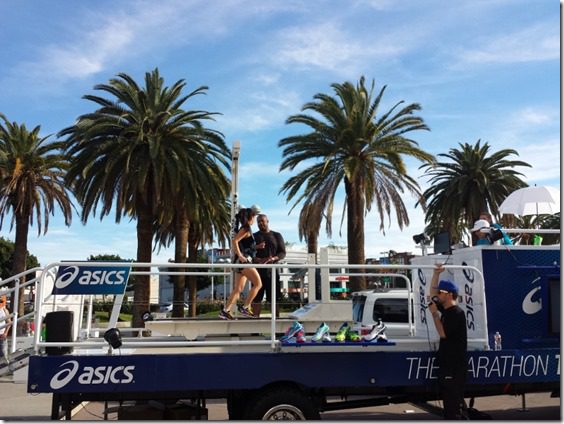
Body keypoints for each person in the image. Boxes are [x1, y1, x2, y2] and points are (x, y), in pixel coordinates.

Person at [428, 264, 467, 420]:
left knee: (452, 407)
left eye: (441, 292)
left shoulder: (456, 313)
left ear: (450, 295)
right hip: (448, 364)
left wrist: (435, 315)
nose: (438, 295)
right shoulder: (446, 309)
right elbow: (432, 294)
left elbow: (443, 333)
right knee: (448, 406)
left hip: (455, 366)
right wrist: (436, 274)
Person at [219, 208, 262, 320]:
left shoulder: (245, 229)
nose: (254, 219)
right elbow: (235, 241)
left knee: (238, 289)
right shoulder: (246, 228)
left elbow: (245, 244)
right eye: (254, 216)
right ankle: (246, 307)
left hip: (239, 263)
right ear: (250, 217)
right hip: (244, 262)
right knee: (258, 284)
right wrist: (241, 256)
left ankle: (225, 311)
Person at [252, 214, 286, 317]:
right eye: (258, 222)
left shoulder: (276, 235)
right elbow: (247, 251)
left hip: (272, 272)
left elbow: (282, 252)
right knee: (256, 298)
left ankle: (276, 327)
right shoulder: (254, 236)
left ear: (267, 221)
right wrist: (256, 259)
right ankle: (254, 329)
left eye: (262, 221)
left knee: (274, 298)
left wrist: (273, 258)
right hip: (257, 272)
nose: (260, 223)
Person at [0, 295, 12, 365]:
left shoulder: (4, 310)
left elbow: (9, 322)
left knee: (3, 354)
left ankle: (5, 368)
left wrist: (5, 333)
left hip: (1, 335)